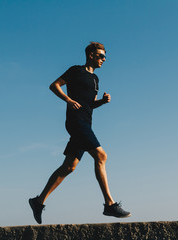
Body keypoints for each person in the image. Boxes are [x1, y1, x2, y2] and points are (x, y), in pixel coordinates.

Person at [29, 42, 131, 224]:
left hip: (86, 123)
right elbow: (54, 85)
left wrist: (102, 102)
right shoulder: (76, 71)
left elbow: (89, 104)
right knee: (101, 156)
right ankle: (109, 204)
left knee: (69, 166)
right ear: (91, 55)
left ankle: (38, 201)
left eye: (105, 57)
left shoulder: (95, 79)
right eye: (100, 56)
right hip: (75, 122)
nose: (104, 60)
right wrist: (68, 100)